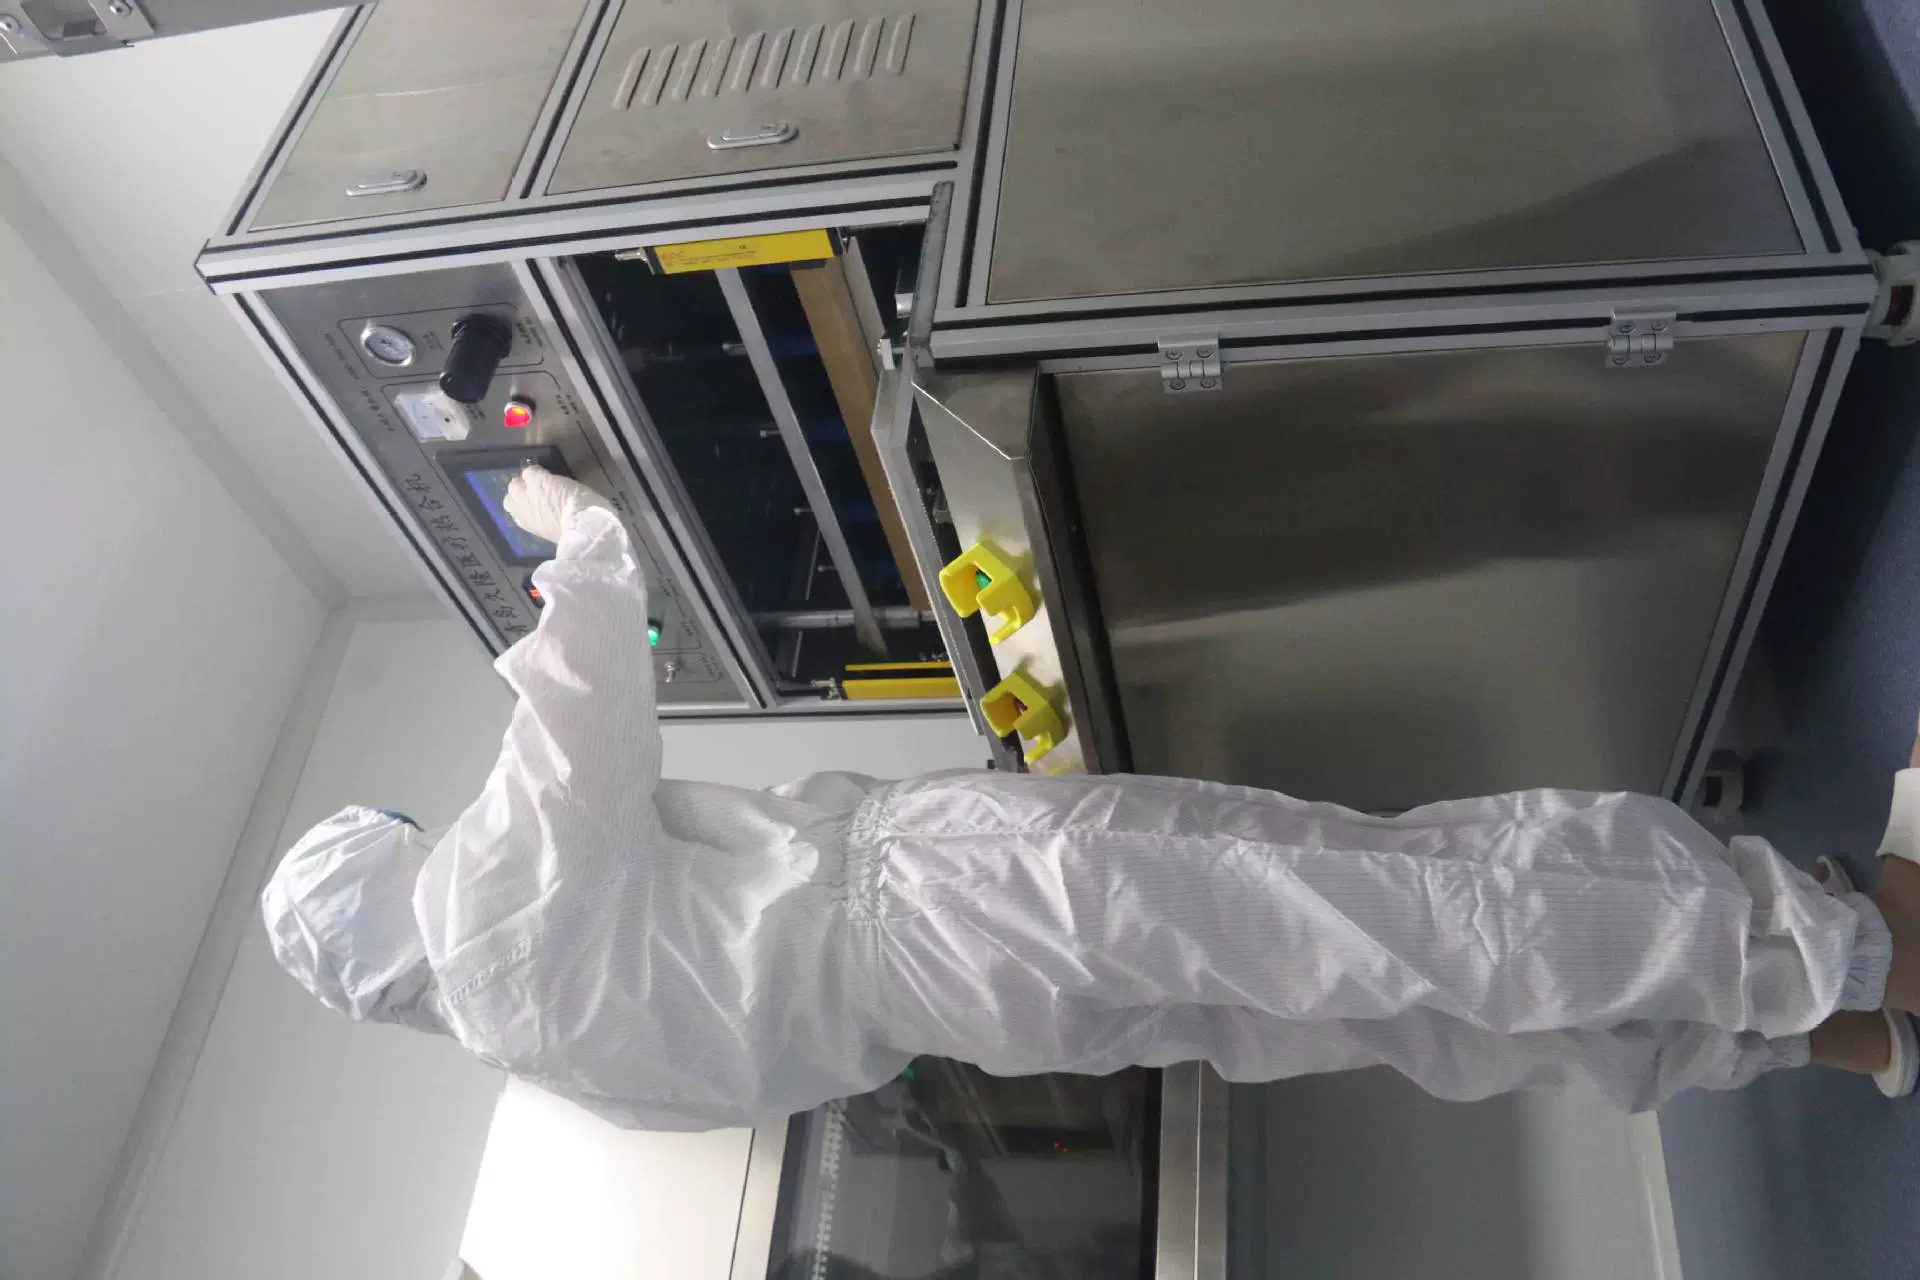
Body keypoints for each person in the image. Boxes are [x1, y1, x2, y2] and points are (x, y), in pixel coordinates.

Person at [262, 466, 1920, 1129]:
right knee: (1400, 903)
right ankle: (1863, 945)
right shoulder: (489, 902)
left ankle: (1822, 1036)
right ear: (395, 874)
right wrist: (566, 521)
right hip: (954, 891)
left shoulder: (553, 1067)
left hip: (968, 1010)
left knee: (1389, 1005)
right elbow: (588, 667)